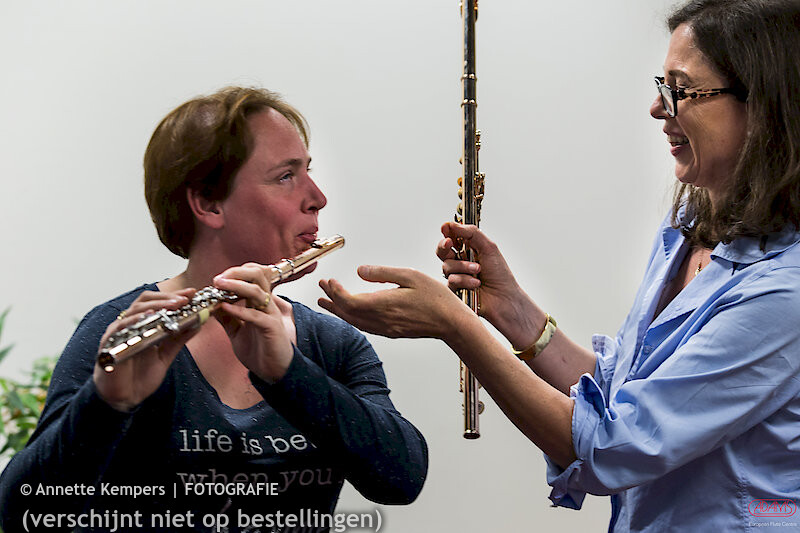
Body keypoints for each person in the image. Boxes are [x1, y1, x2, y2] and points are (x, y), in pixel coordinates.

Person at [316, 1, 800, 531]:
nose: (657, 109)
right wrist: (512, 311)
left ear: (765, 106)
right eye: (661, 85)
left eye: (681, 90)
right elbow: (624, 392)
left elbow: (614, 446)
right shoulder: (686, 228)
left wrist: (457, 327)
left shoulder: (784, 292)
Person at [0, 87, 427, 532]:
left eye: (308, 171)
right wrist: (104, 405)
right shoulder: (121, 330)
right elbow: (22, 514)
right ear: (208, 203)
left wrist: (289, 374)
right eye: (285, 176)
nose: (317, 197)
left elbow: (402, 479)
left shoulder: (331, 343)